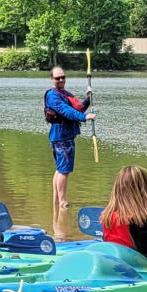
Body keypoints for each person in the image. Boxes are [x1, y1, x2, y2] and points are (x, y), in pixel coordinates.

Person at [44, 65, 94, 214]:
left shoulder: (65, 94)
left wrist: (87, 100)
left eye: (63, 77)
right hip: (61, 136)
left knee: (60, 169)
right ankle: (63, 202)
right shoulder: (53, 96)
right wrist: (84, 117)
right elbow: (67, 112)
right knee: (64, 170)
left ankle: (57, 200)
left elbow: (76, 109)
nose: (61, 80)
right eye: (57, 78)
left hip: (65, 135)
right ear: (52, 79)